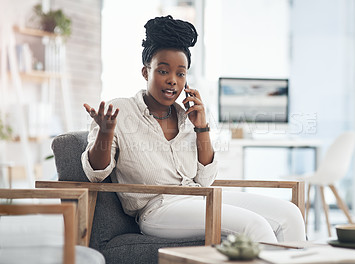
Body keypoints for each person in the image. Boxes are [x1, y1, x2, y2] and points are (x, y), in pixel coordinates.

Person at [81, 15, 305, 243]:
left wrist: (202, 128)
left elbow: (205, 179)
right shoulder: (119, 110)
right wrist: (106, 133)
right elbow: (95, 174)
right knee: (255, 226)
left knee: (290, 215)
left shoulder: (186, 116)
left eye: (181, 73)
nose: (172, 80)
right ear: (146, 72)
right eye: (163, 71)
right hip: (157, 211)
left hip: (199, 197)